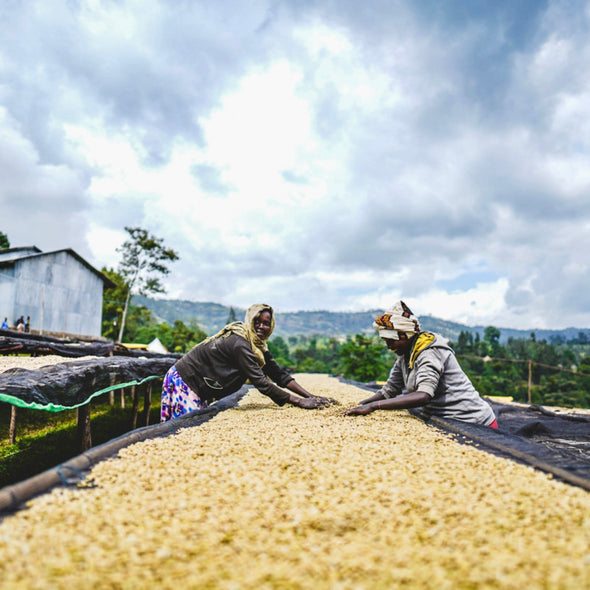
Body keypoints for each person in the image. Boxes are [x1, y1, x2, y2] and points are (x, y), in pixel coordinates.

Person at [161, 303, 333, 421]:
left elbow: (278, 374)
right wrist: (299, 401)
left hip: (197, 384)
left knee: (194, 423)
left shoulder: (258, 346)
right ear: (249, 321)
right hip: (184, 380)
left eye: (266, 323)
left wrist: (311, 397)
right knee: (184, 429)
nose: (261, 327)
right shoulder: (240, 343)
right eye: (256, 322)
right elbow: (261, 383)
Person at [347, 301, 498, 428]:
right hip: (443, 419)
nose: (388, 346)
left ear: (405, 336)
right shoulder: (406, 355)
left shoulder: (429, 352)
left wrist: (374, 406)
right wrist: (361, 404)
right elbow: (390, 390)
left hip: (473, 423)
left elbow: (423, 395)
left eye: (391, 341)